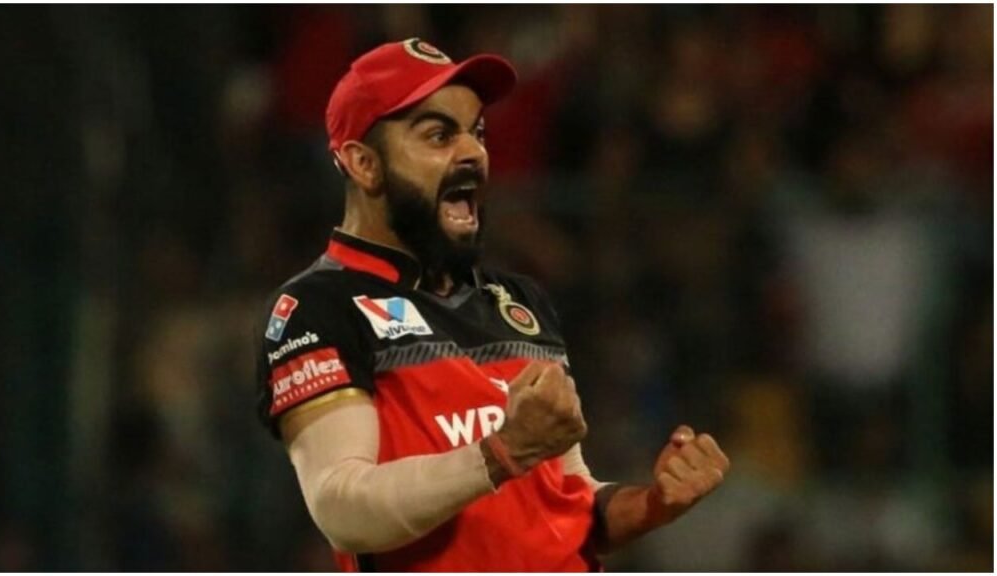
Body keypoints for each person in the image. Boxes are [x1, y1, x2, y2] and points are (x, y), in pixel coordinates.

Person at [255, 38, 730, 572]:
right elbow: (343, 507)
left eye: (476, 132)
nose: (474, 153)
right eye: (439, 135)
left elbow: (566, 498)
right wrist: (501, 452)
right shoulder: (316, 308)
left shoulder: (519, 300)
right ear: (364, 164)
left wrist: (652, 504)